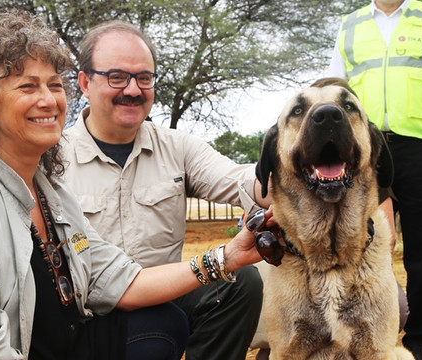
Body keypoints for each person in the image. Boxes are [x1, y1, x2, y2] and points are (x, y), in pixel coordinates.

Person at [0, 9, 268, 359]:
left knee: (164, 322)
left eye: (53, 85)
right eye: (27, 86)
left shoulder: (50, 190)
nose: (48, 100)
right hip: (57, 329)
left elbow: (114, 277)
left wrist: (227, 256)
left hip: (84, 325)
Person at [60, 20, 271, 360]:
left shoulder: (177, 147)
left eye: (144, 78)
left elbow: (239, 180)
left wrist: (299, 174)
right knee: (154, 326)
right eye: (117, 77)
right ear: (85, 82)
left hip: (165, 293)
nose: (132, 89)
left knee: (241, 283)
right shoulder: (54, 159)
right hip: (89, 313)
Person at [326, 0, 422, 359]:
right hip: (366, 149)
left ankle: (421, 336)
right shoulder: (351, 24)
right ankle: (362, 329)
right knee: (365, 244)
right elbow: (333, 88)